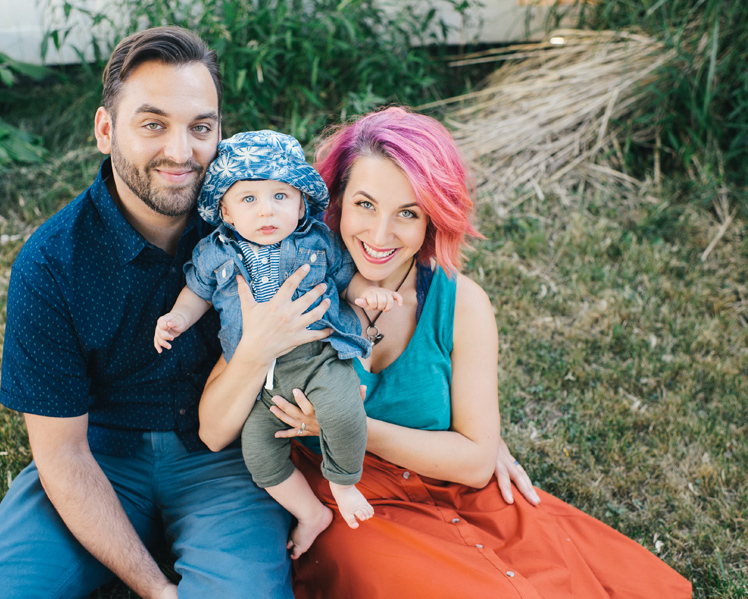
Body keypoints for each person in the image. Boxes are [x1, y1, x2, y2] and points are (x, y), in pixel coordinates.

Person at [197, 107, 693, 598]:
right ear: (336, 201)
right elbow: (216, 430)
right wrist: (259, 347)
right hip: (358, 511)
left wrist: (341, 424)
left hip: (464, 498)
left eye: (407, 213)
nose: (380, 234)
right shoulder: (292, 286)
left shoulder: (461, 304)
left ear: (434, 218)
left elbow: (475, 461)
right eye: (365, 205)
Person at [0, 27, 326, 599]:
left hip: (224, 457)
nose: (181, 151)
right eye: (153, 124)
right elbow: (63, 455)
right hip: (100, 459)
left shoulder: (260, 223)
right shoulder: (52, 262)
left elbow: (381, 260)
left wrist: (474, 429)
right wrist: (154, 588)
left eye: (201, 127)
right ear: (105, 130)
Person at [154, 130, 403, 556]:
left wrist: (369, 292)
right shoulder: (215, 251)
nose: (266, 210)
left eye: (280, 197)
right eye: (248, 199)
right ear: (226, 212)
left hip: (320, 358)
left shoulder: (316, 240)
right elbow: (196, 292)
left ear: (302, 204)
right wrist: (178, 317)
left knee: (344, 413)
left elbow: (347, 278)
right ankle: (310, 512)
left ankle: (343, 483)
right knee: (259, 456)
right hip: (260, 379)